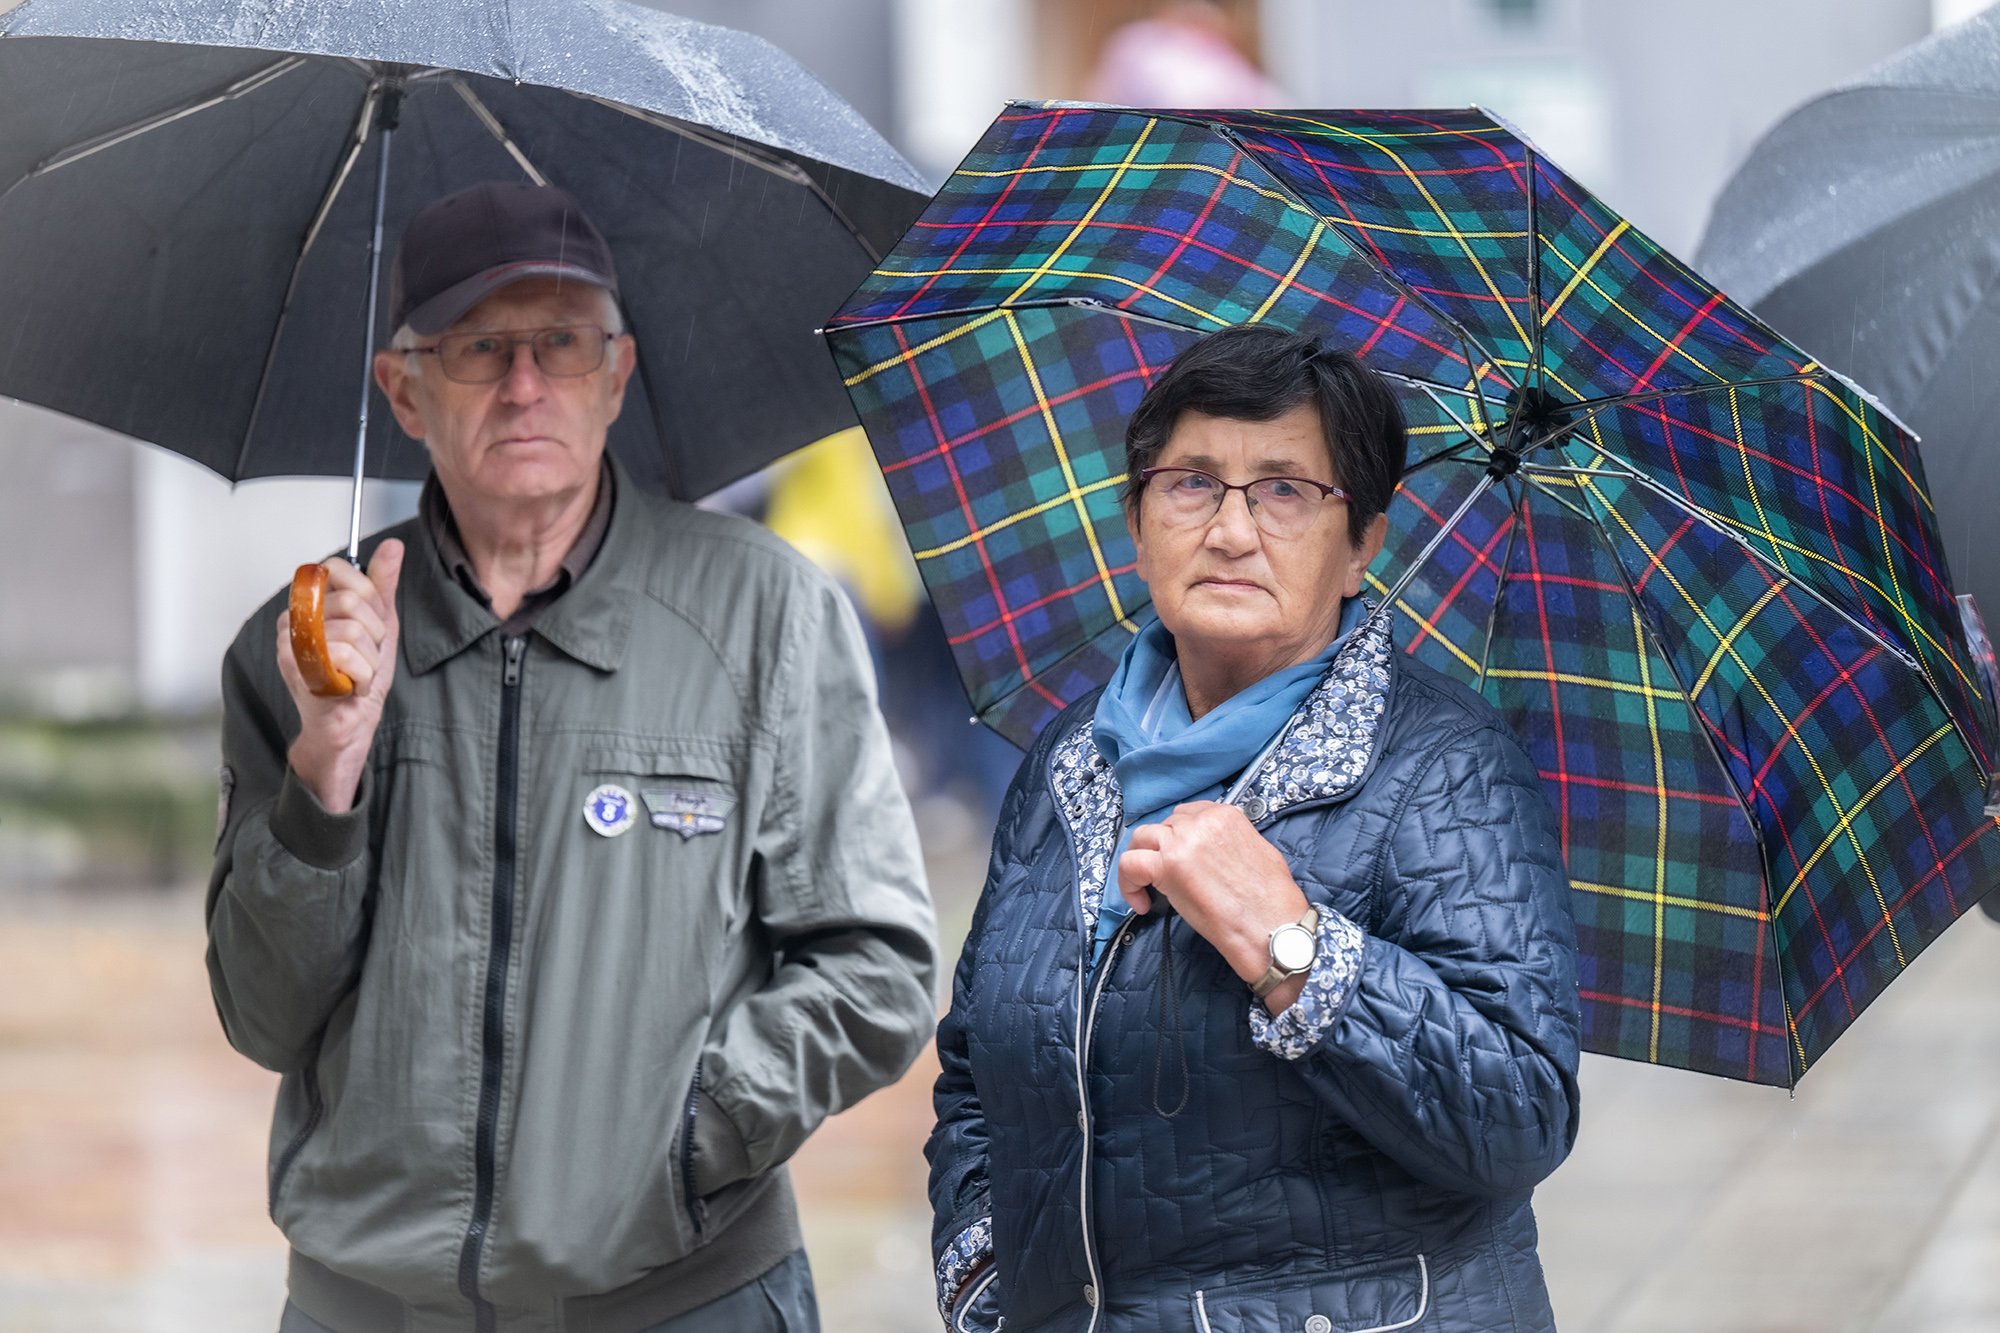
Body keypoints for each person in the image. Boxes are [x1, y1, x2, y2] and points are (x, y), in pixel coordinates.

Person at [207, 181, 937, 1333]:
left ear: (618, 371)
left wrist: (693, 1134)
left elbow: (878, 967)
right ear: (402, 388)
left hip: (686, 1301)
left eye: (562, 342)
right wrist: (326, 763)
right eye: (479, 348)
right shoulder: (300, 647)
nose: (524, 384)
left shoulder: (767, 615)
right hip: (369, 1309)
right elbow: (262, 1015)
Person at [928, 325, 1580, 1333]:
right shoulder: (1069, 758)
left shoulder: (1444, 764)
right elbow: (976, 1065)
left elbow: (1519, 1112)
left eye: (1285, 490)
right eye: (1191, 483)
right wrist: (982, 1272)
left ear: (1360, 544)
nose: (1231, 531)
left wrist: (1289, 944)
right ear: (1137, 521)